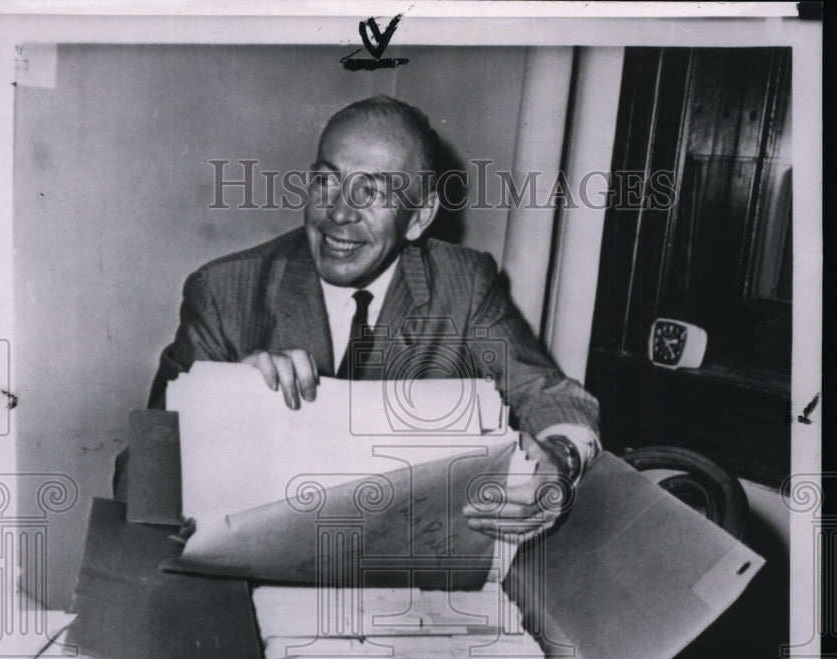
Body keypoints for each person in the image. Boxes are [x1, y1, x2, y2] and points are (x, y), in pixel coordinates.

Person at [128, 95, 601, 539]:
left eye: (372, 193)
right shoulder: (224, 293)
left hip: (406, 577)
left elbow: (554, 397)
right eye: (326, 181)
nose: (337, 212)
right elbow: (137, 483)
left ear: (419, 217)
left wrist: (557, 465)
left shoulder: (465, 285)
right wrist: (223, 407)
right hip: (249, 587)